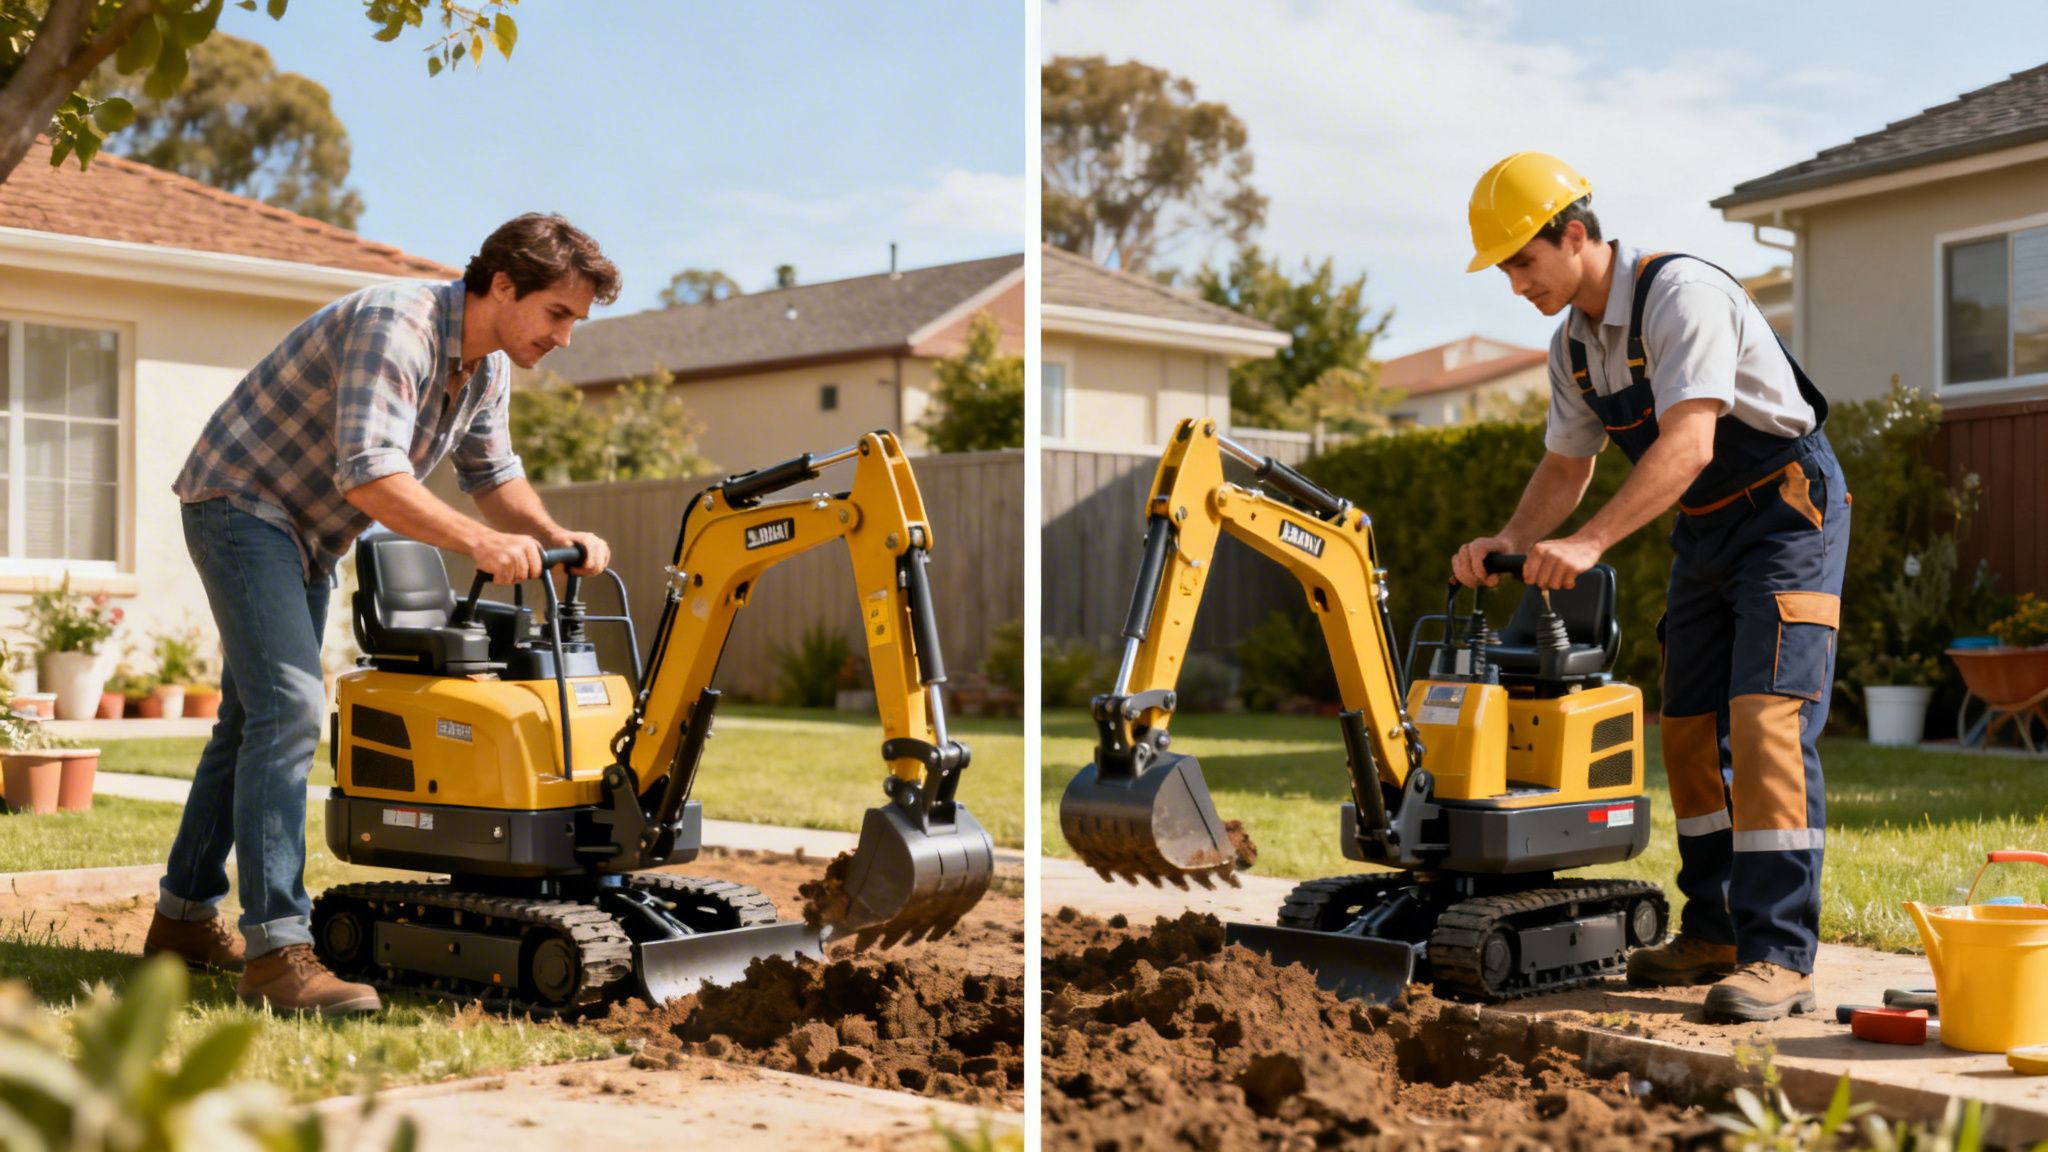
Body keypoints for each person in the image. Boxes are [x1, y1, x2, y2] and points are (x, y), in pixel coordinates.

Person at [141, 213, 618, 1015]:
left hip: (305, 535)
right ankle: (275, 953)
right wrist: (479, 542)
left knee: (248, 723)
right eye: (558, 314)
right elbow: (369, 477)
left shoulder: (487, 368)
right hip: (241, 503)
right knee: (289, 713)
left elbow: (492, 472)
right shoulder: (395, 327)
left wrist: (547, 532)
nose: (566, 338)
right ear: (502, 286)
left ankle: (182, 921)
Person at [1453, 154, 1848, 1023]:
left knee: (1766, 721)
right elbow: (1568, 462)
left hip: (1786, 513)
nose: (1517, 284)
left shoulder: (1680, 296)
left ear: (1577, 235)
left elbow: (1691, 443)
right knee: (1685, 731)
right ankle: (1713, 929)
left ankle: (1780, 953)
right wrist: (1512, 541)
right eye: (1506, 270)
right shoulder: (1574, 347)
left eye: (1524, 261)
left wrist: (1591, 542)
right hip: (1705, 527)